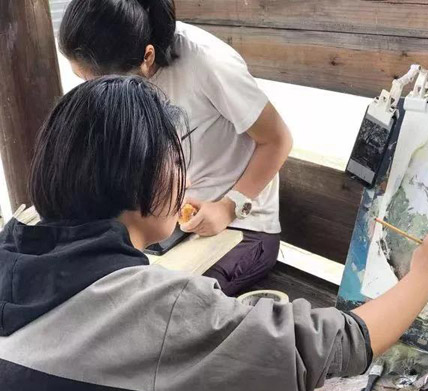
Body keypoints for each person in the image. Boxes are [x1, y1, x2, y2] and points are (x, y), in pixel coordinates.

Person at [0, 76, 428, 391]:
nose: (185, 177)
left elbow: (110, 374)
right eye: (177, 158)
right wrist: (424, 276)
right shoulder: (151, 306)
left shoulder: (14, 252)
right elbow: (330, 347)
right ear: (142, 174)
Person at [59, 0, 293, 296]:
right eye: (83, 80)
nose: (95, 92)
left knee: (166, 302)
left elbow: (278, 139)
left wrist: (230, 206)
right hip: (169, 220)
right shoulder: (121, 70)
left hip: (241, 227)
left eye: (99, 80)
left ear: (147, 57)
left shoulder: (207, 62)